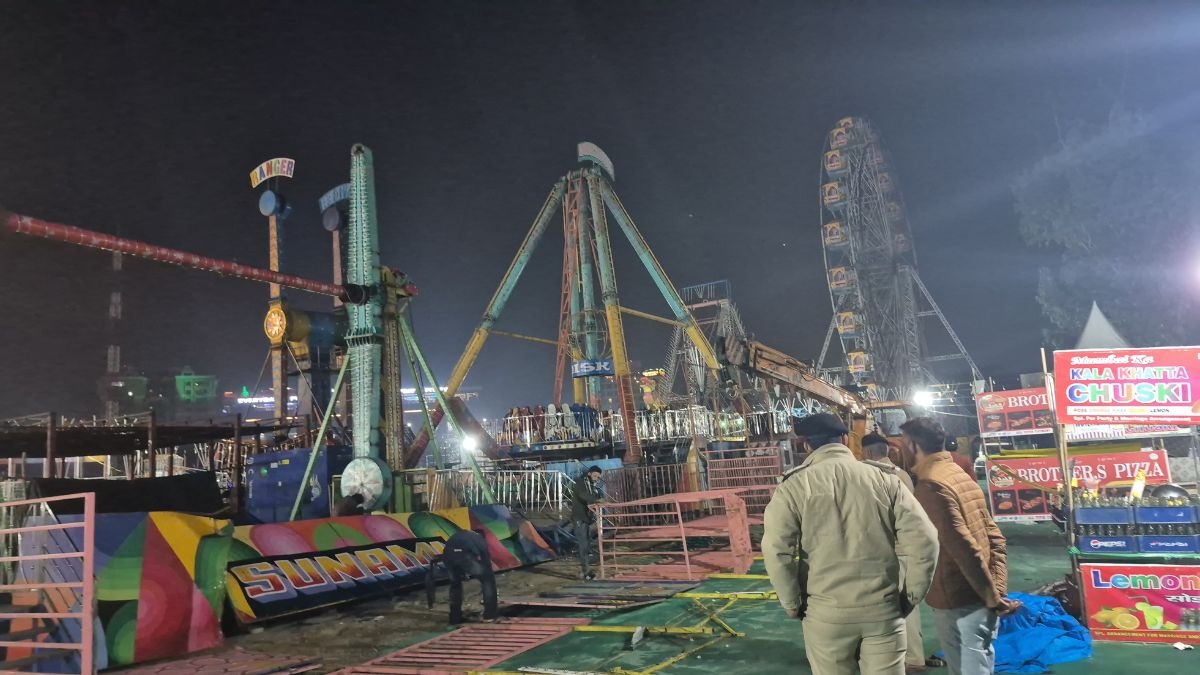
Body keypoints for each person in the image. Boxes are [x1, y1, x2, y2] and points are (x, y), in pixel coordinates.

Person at [763, 413, 939, 675]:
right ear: (845, 439)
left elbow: (777, 551)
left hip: (825, 612)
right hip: (883, 610)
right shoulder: (885, 479)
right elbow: (926, 540)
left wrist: (791, 602)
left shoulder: (793, 486)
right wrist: (911, 596)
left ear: (806, 445)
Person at [902, 417, 1020, 675]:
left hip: (958, 598)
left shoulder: (931, 486)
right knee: (982, 661)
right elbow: (995, 537)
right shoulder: (959, 475)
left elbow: (964, 550)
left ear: (913, 446)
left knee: (968, 667)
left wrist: (992, 597)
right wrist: (997, 589)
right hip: (980, 593)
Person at [862, 433, 925, 673]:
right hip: (906, 548)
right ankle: (914, 657)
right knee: (907, 605)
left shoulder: (866, 475)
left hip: (882, 551)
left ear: (867, 452)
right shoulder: (902, 475)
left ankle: (897, 659)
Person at [424, 529, 498, 624]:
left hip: (449, 556)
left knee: (455, 584)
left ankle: (455, 618)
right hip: (465, 555)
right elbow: (486, 561)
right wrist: (486, 572)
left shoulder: (459, 535)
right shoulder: (479, 539)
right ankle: (490, 615)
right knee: (488, 580)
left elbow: (449, 551)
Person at [570, 465, 605, 580]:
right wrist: (596, 500)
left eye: (598, 477)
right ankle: (586, 572)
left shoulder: (591, 485)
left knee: (587, 544)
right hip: (579, 518)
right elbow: (583, 495)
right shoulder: (580, 483)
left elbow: (594, 495)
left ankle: (585, 570)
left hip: (586, 518)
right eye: (594, 476)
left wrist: (599, 498)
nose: (596, 478)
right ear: (589, 473)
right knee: (583, 545)